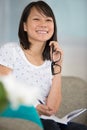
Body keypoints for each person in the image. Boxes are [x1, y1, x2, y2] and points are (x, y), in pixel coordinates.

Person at [0, 1, 87, 130]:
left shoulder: (50, 62)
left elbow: (52, 108)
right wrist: (33, 106)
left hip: (48, 120)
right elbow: (4, 89)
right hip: (22, 118)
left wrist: (58, 65)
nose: (43, 25)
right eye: (36, 19)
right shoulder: (10, 51)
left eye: (48, 20)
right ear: (24, 26)